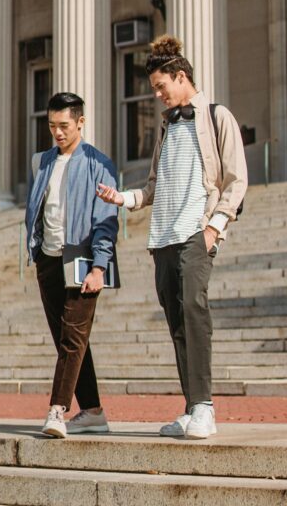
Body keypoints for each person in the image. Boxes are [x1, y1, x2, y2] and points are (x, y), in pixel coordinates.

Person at [97, 35, 247, 439]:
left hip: (196, 232)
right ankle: (192, 406)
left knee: (195, 312)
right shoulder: (166, 128)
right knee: (177, 321)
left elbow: (236, 180)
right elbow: (153, 188)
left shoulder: (217, 117)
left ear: (181, 77)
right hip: (162, 236)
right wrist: (122, 197)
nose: (158, 95)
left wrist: (214, 227)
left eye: (161, 86)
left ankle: (206, 408)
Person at [25, 92, 120, 438]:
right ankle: (93, 411)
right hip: (48, 260)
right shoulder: (42, 161)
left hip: (83, 258)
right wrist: (35, 251)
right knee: (68, 339)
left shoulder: (100, 165)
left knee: (72, 338)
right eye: (52, 126)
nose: (57, 132)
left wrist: (100, 267)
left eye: (64, 125)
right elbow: (37, 207)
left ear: (80, 122)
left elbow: (106, 221)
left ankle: (57, 410)